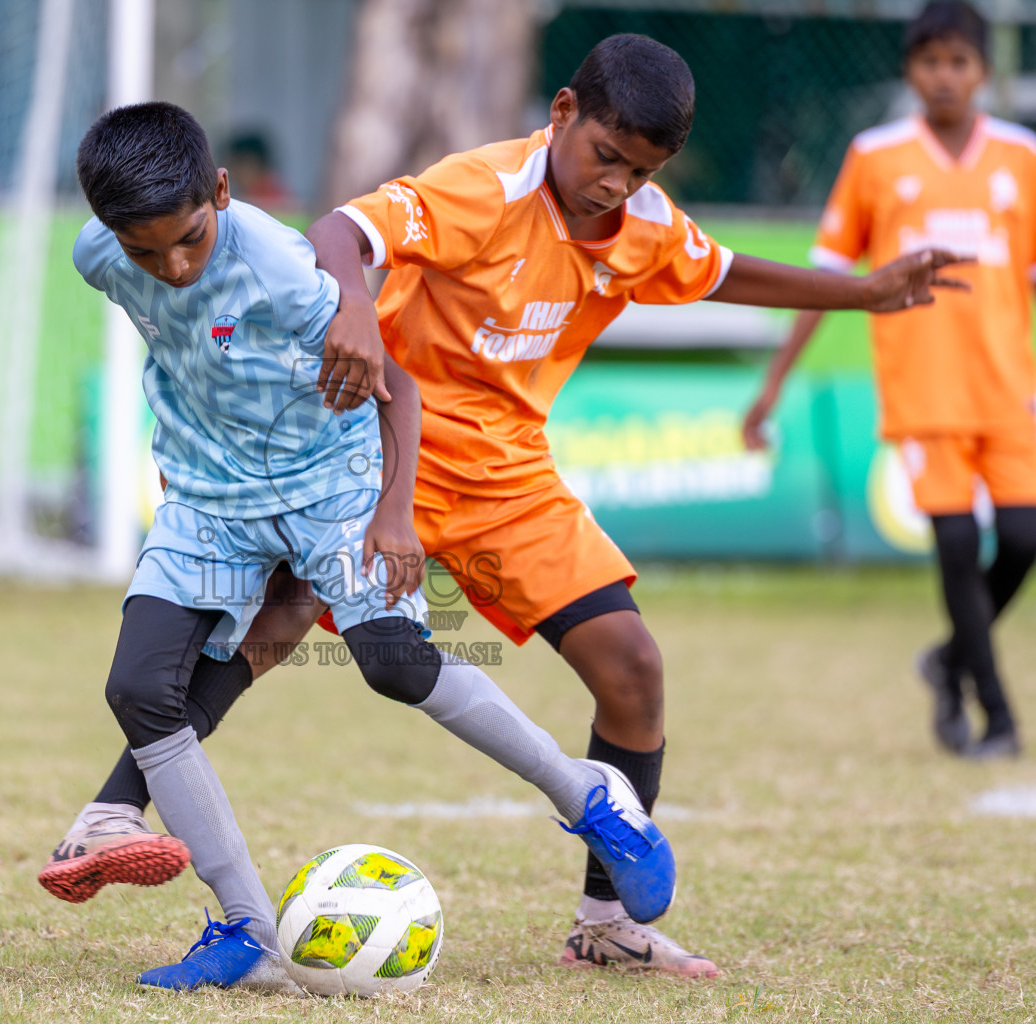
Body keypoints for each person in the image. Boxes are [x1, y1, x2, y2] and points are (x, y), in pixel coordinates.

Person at [43, 36, 966, 980]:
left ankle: (608, 924)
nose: (616, 182)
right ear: (562, 112)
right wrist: (353, 309)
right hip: (368, 454)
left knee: (632, 666)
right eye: (606, 156)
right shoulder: (483, 187)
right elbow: (345, 233)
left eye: (642, 169)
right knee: (251, 643)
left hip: (504, 474)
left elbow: (725, 271)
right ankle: (121, 818)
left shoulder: (645, 224)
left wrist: (862, 294)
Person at [59, 100, 681, 991]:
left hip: (330, 484)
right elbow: (182, 347)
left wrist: (394, 515)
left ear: (222, 194)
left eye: (191, 239)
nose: (174, 266)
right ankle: (249, 932)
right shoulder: (98, 257)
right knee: (136, 688)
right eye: (145, 251)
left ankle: (588, 796)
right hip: (207, 499)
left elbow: (399, 388)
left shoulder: (278, 269)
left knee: (394, 663)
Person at [742, 1, 1036, 761]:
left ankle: (946, 661)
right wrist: (772, 384)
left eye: (959, 62)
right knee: (959, 544)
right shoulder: (876, 156)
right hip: (923, 389)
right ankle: (996, 715)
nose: (945, 77)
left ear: (983, 72)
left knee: (1025, 540)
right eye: (930, 62)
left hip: (1007, 388)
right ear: (910, 70)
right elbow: (829, 278)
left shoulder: (1023, 156)